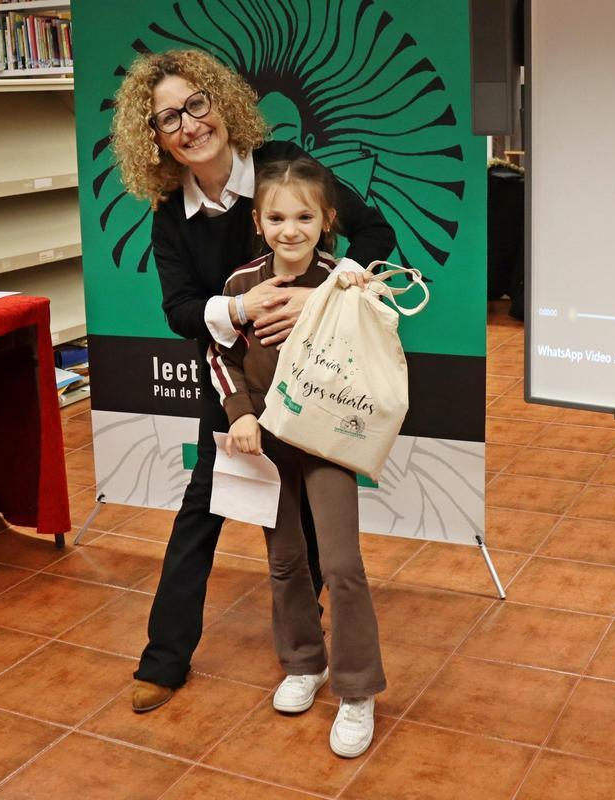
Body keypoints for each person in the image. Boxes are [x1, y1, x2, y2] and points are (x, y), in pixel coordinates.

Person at [109, 49, 396, 713]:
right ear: (152, 138)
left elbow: (372, 230)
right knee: (204, 508)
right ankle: (165, 659)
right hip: (235, 383)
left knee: (316, 528)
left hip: (320, 380)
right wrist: (239, 309)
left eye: (196, 104)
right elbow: (182, 312)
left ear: (220, 102)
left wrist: (323, 300)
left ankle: (311, 652)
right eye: (167, 119)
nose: (188, 125)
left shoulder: (279, 164)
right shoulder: (167, 214)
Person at [213, 157, 387, 757]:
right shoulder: (242, 287)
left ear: (327, 220)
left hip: (327, 440)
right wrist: (238, 411)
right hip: (267, 443)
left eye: (305, 216)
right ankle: (303, 662)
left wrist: (356, 290)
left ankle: (357, 690)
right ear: (259, 222)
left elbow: (367, 354)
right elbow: (220, 356)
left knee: (340, 564)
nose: (291, 229)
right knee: (286, 560)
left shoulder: (344, 281)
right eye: (278, 216)